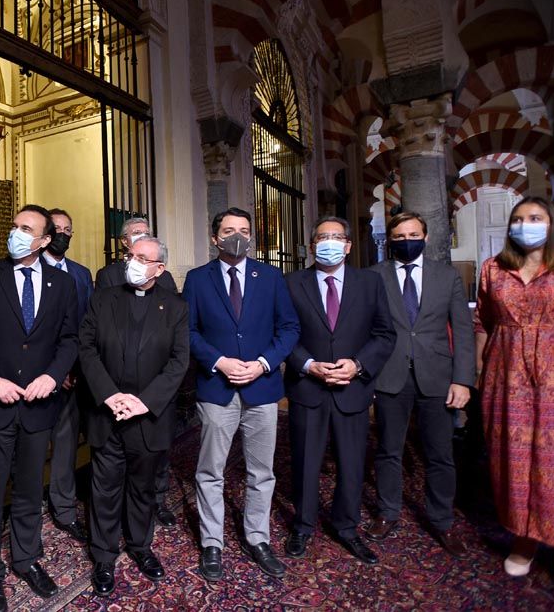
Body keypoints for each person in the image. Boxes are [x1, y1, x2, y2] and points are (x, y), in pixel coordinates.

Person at [0, 204, 79, 612]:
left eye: (27, 228)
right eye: (15, 225)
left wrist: (53, 376)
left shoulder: (63, 284)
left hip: (39, 408)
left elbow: (70, 340)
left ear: (44, 240)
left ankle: (26, 558)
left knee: (27, 490)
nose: (17, 232)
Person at [183, 208, 300, 581]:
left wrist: (264, 363)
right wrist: (219, 361)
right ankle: (212, 543)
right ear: (214, 237)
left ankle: (257, 537)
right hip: (217, 389)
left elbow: (288, 327)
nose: (238, 236)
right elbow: (187, 332)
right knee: (210, 471)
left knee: (261, 471)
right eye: (229, 230)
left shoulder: (270, 276)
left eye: (244, 230)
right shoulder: (197, 279)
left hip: (262, 388)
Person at [474, 196, 554, 597]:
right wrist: (480, 374)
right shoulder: (494, 269)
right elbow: (482, 322)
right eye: (518, 219)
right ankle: (525, 536)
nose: (525, 225)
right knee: (513, 461)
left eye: (534, 218)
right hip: (508, 378)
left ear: (552, 223)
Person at [79, 237, 189, 596]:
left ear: (159, 269)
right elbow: (87, 349)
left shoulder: (175, 307)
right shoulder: (103, 299)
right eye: (131, 255)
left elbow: (179, 361)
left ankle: (141, 547)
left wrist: (145, 402)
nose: (133, 262)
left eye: (143, 258)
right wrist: (110, 395)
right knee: (105, 489)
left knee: (142, 489)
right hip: (107, 414)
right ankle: (104, 557)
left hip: (149, 417)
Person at [283, 216, 395, 565]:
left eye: (336, 237)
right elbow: (283, 333)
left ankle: (346, 527)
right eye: (321, 237)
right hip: (307, 388)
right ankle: (302, 526)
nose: (328, 242)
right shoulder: (290, 283)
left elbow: (384, 334)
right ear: (311, 244)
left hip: (352, 389)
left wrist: (358, 365)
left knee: (351, 463)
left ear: (348, 245)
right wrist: (307, 364)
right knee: (305, 461)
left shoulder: (370, 282)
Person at [368, 212, 475, 556]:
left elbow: (463, 330)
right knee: (388, 450)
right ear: (390, 241)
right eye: (398, 236)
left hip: (438, 377)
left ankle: (442, 520)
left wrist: (462, 380)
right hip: (390, 375)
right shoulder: (373, 276)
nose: (406, 240)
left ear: (425, 237)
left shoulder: (447, 277)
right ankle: (387, 513)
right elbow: (364, 329)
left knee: (440, 454)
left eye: (413, 234)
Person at [94, 216, 178, 527]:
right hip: (115, 386)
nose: (141, 237)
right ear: (124, 244)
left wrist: (149, 397)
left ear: (159, 268)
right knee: (112, 470)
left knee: (155, 457)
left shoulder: (165, 283)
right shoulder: (108, 278)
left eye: (146, 234)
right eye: (135, 235)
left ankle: (156, 502)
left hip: (152, 390)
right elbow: (98, 339)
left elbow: (173, 340)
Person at [43, 208, 94, 543]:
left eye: (68, 229)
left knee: (65, 444)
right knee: (30, 447)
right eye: (57, 228)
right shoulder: (26, 268)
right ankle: (28, 504)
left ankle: (62, 507)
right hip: (37, 374)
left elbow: (85, 324)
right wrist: (54, 369)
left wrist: (74, 368)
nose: (63, 234)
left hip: (72, 374)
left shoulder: (81, 273)